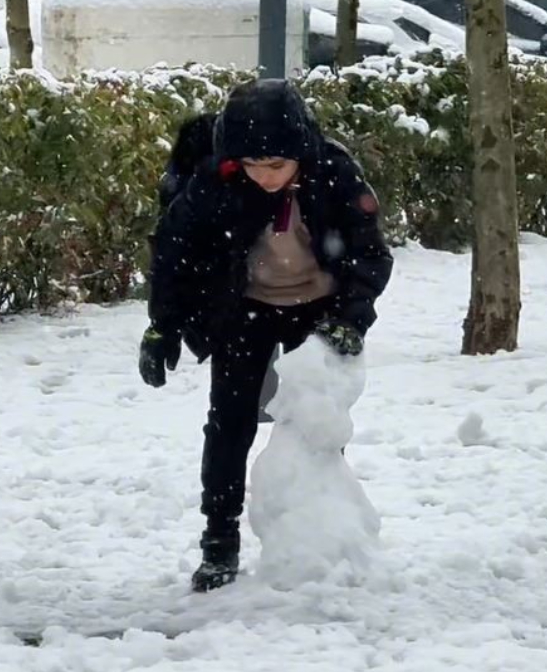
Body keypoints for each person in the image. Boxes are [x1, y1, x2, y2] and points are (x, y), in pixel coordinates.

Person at [139, 79, 393, 592]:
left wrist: (348, 320)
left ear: (299, 153)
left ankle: (322, 530)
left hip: (319, 311)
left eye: (277, 165)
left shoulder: (334, 173)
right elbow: (175, 251)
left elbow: (370, 255)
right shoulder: (219, 181)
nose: (266, 177)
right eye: (254, 166)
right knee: (229, 424)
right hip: (245, 307)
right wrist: (162, 325)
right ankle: (220, 540)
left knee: (316, 424)